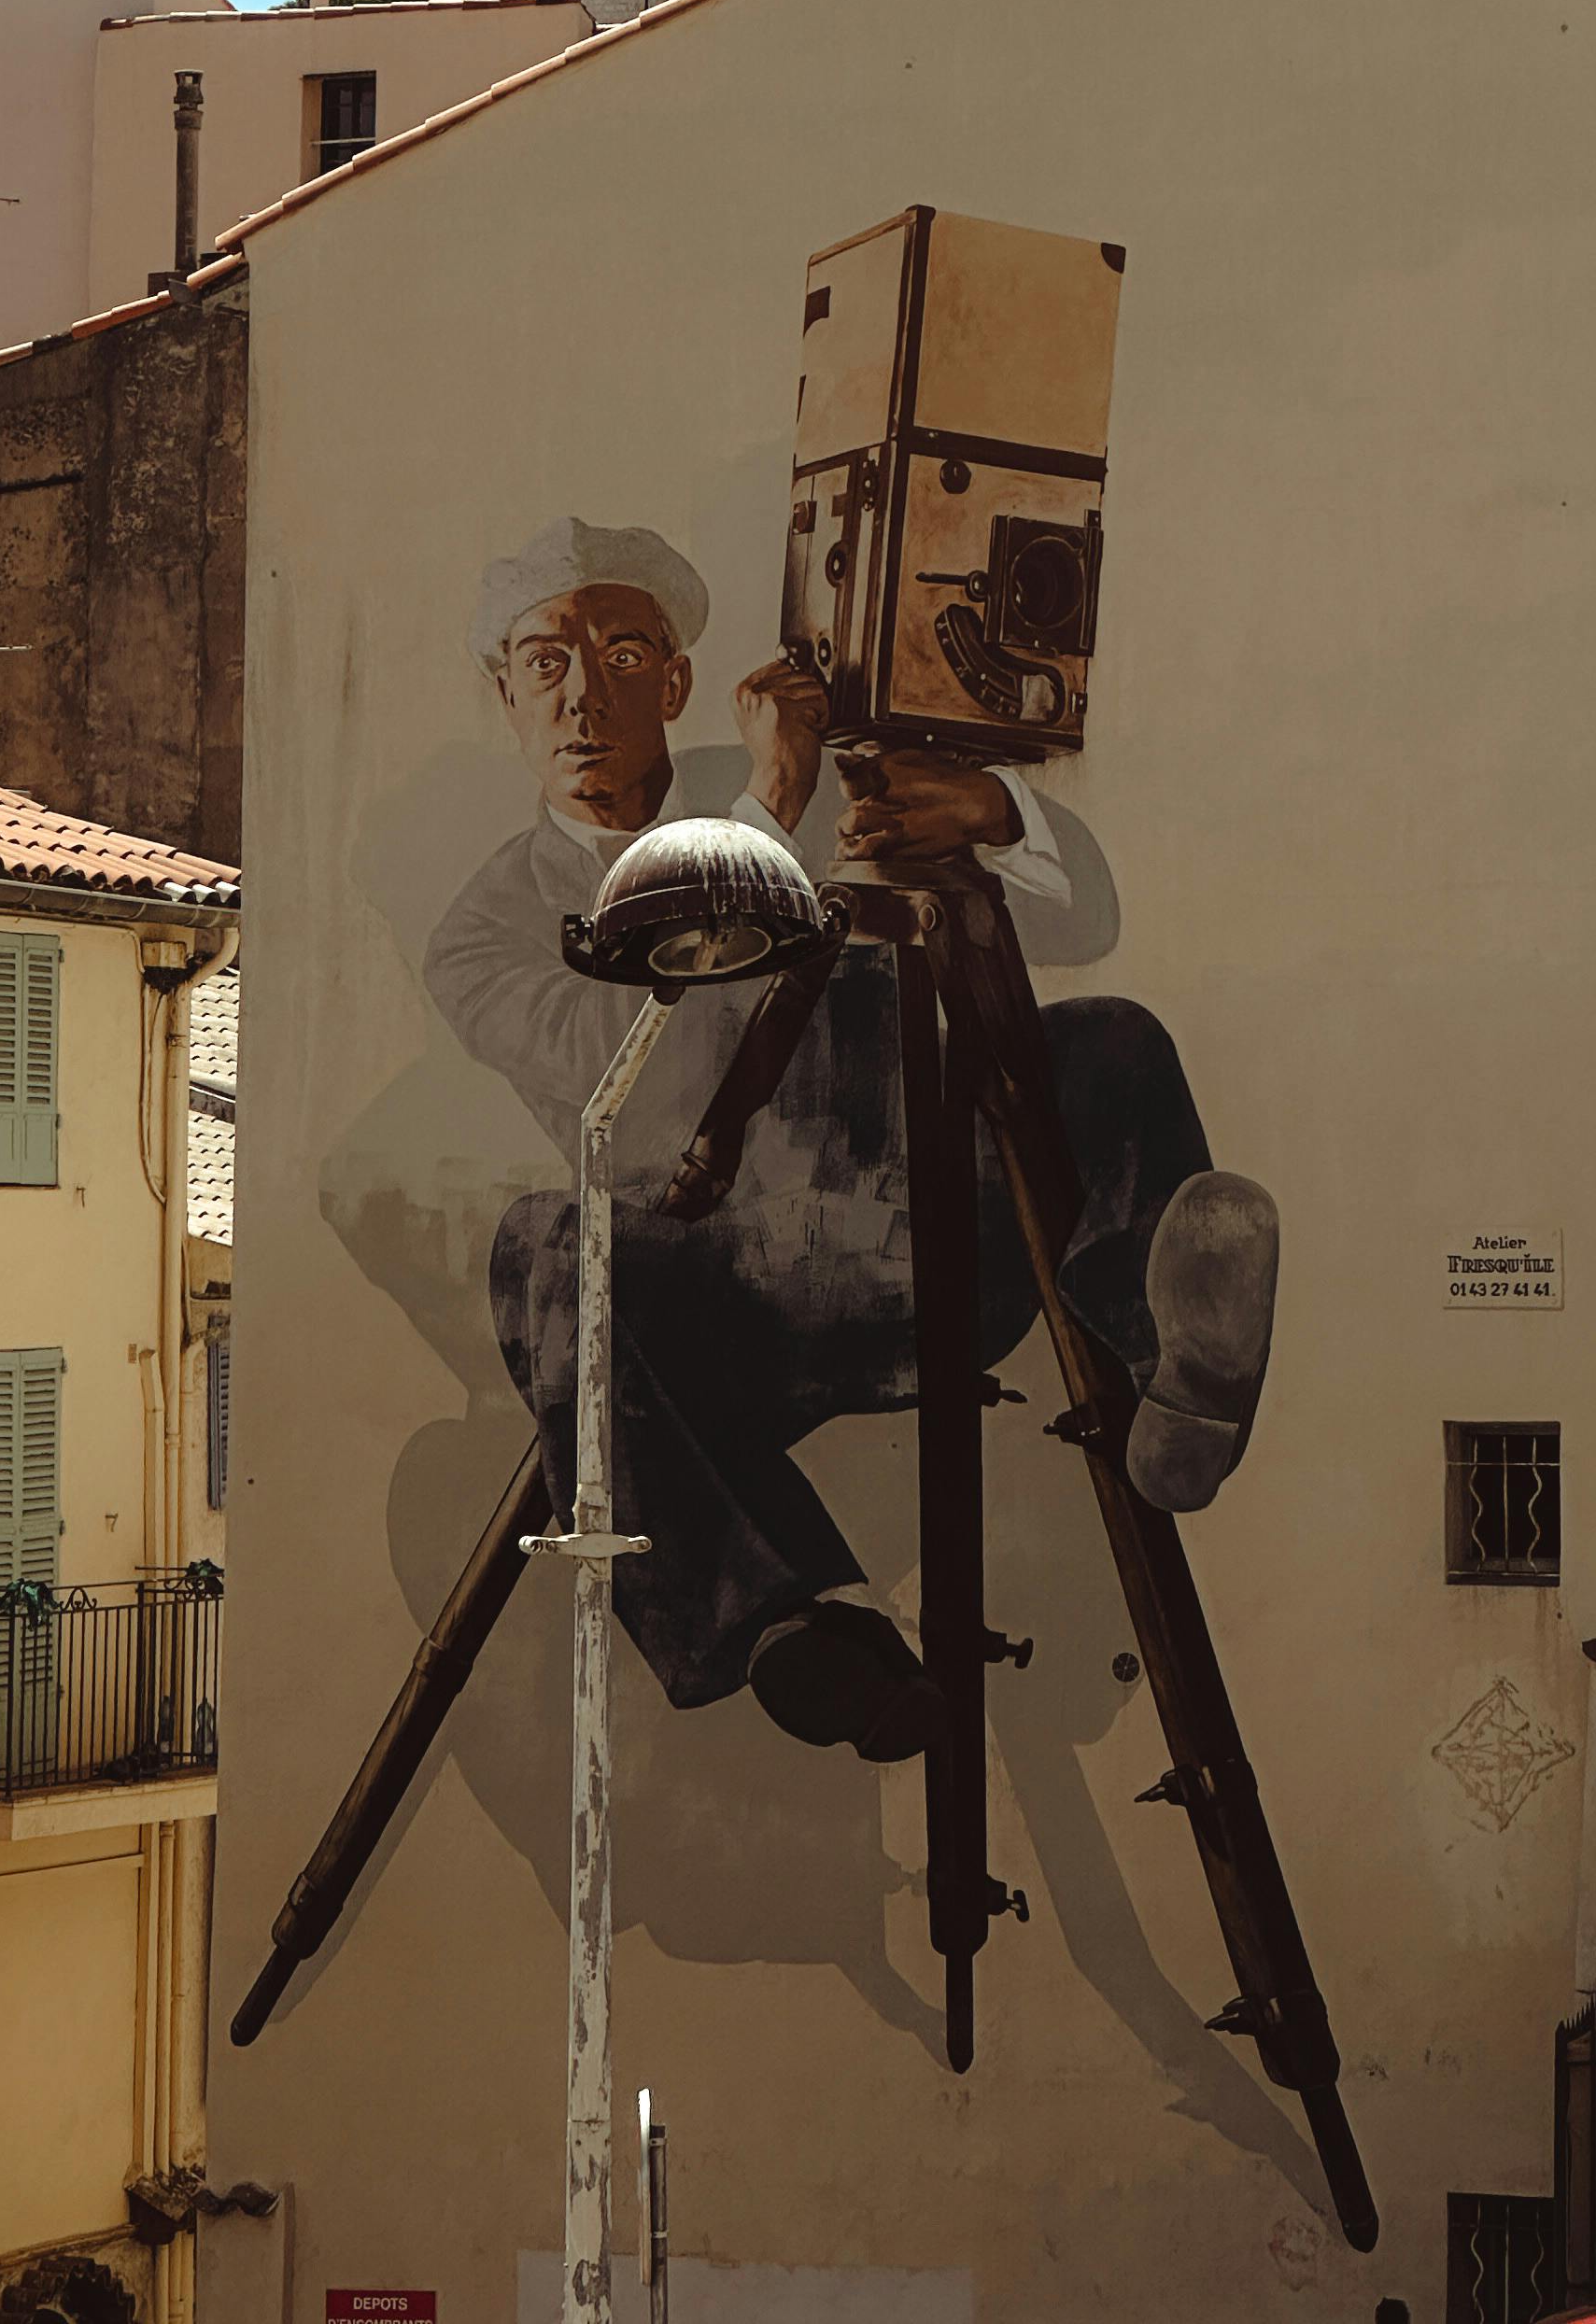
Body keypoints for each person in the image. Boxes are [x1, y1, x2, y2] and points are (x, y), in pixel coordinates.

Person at [425, 515, 1276, 1766]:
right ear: (503, 693)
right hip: (743, 1309)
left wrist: (988, 806)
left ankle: (1178, 1372)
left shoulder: (805, 766)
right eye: (545, 663)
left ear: (673, 680)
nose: (582, 696)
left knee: (1109, 1041)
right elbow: (657, 1078)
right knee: (548, 1245)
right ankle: (802, 1628)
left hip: (938, 1231)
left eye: (620, 654)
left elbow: (1079, 913)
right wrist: (771, 806)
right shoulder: (486, 931)